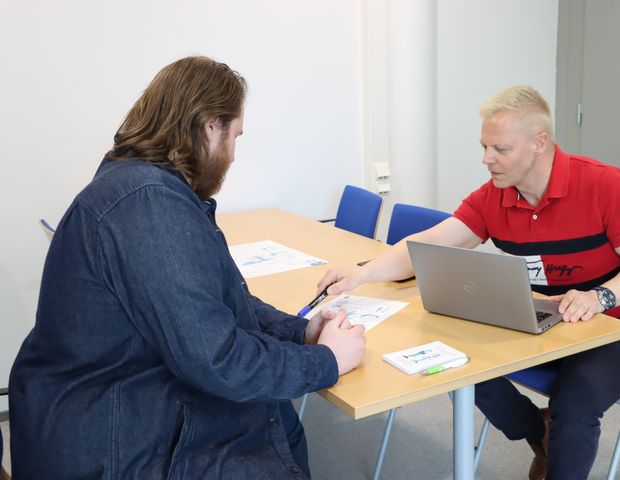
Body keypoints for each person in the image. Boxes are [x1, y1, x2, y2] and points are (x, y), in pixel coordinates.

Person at [9, 56, 366, 479]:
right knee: (271, 420)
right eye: (235, 136)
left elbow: (219, 302)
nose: (233, 154)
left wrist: (298, 331)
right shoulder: (149, 205)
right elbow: (217, 360)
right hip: (110, 431)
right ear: (210, 126)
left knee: (280, 419)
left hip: (112, 396)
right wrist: (326, 362)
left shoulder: (140, 186)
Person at [317, 86, 620, 480]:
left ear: (540, 143)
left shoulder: (603, 185)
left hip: (612, 325)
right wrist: (360, 274)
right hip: (536, 314)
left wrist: (599, 297)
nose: (487, 159)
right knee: (451, 364)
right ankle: (537, 431)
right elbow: (429, 243)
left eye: (500, 149)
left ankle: (556, 437)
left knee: (574, 407)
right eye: (484, 147)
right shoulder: (494, 196)